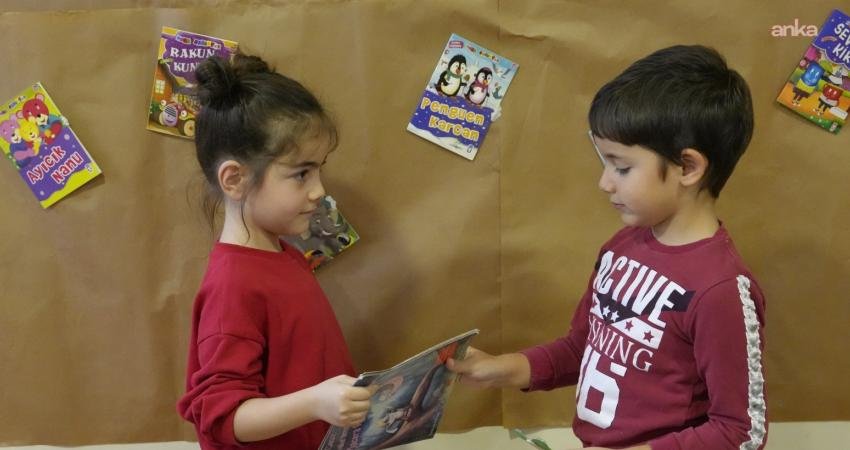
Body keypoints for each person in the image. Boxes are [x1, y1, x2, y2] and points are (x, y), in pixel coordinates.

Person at [448, 45, 767, 450]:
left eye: (622, 166)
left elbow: (740, 431)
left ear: (688, 168)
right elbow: (581, 347)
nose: (605, 182)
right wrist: (502, 369)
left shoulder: (721, 290)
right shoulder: (622, 246)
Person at [177, 53, 373, 450]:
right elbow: (224, 418)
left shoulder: (282, 252)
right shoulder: (233, 286)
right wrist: (316, 402)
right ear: (235, 179)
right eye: (301, 173)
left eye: (319, 170)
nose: (319, 190)